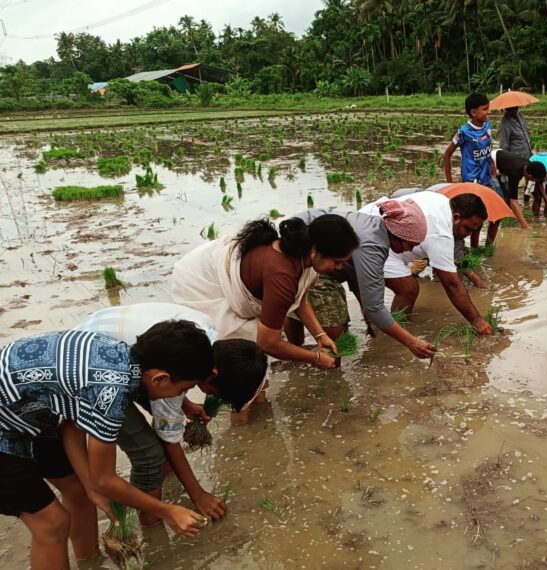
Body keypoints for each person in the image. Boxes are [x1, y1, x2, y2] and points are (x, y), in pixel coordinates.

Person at [0, 322, 214, 569]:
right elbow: (105, 479)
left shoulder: (120, 355)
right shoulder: (111, 390)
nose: (180, 396)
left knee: (79, 492)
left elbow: (72, 426)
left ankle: (89, 562)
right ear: (160, 378)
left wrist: (91, 487)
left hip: (30, 415)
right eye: (183, 389)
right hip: (8, 424)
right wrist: (167, 511)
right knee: (51, 523)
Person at [74, 303, 267, 525]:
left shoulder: (205, 336)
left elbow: (166, 385)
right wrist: (199, 495)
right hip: (96, 369)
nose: (215, 398)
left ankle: (151, 497)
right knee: (148, 454)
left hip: (103, 343)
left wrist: (184, 405)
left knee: (158, 446)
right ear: (213, 375)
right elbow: (169, 439)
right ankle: (150, 519)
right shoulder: (173, 373)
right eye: (219, 394)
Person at [171, 216, 360, 375]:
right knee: (242, 370)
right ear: (315, 252)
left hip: (223, 269)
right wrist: (314, 357)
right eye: (336, 262)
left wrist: (319, 335)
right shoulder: (282, 276)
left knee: (255, 372)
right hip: (203, 284)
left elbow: (299, 296)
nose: (340, 268)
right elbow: (268, 343)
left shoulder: (301, 254)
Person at [288, 200, 436, 359]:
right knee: (337, 341)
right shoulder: (373, 245)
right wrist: (411, 342)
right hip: (306, 254)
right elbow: (374, 307)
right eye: (410, 244)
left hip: (298, 243)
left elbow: (358, 279)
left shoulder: (373, 225)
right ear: (398, 235)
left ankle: (293, 357)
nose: (411, 250)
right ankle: (327, 376)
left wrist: (369, 317)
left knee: (298, 306)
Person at [359, 192, 494, 336]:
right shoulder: (440, 232)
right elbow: (451, 285)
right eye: (468, 228)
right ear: (456, 217)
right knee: (408, 288)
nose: (468, 234)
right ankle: (396, 336)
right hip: (374, 238)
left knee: (372, 295)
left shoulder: (443, 202)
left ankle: (381, 327)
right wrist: (477, 321)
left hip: (366, 219)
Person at [443, 92, 494, 247]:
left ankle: (481, 248)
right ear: (473, 112)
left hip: (487, 179)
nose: (488, 112)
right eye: (485, 109)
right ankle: (468, 247)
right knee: (472, 218)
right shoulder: (463, 132)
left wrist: (492, 164)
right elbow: (447, 154)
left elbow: (488, 149)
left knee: (487, 216)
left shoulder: (487, 125)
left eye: (488, 108)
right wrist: (450, 183)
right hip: (471, 182)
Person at [491, 148, 547, 234]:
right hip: (492, 162)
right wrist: (525, 225)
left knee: (506, 195)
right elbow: (514, 202)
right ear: (529, 175)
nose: (534, 181)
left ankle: (506, 216)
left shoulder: (529, 165)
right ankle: (495, 219)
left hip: (501, 158)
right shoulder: (515, 173)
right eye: (534, 180)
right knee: (499, 196)